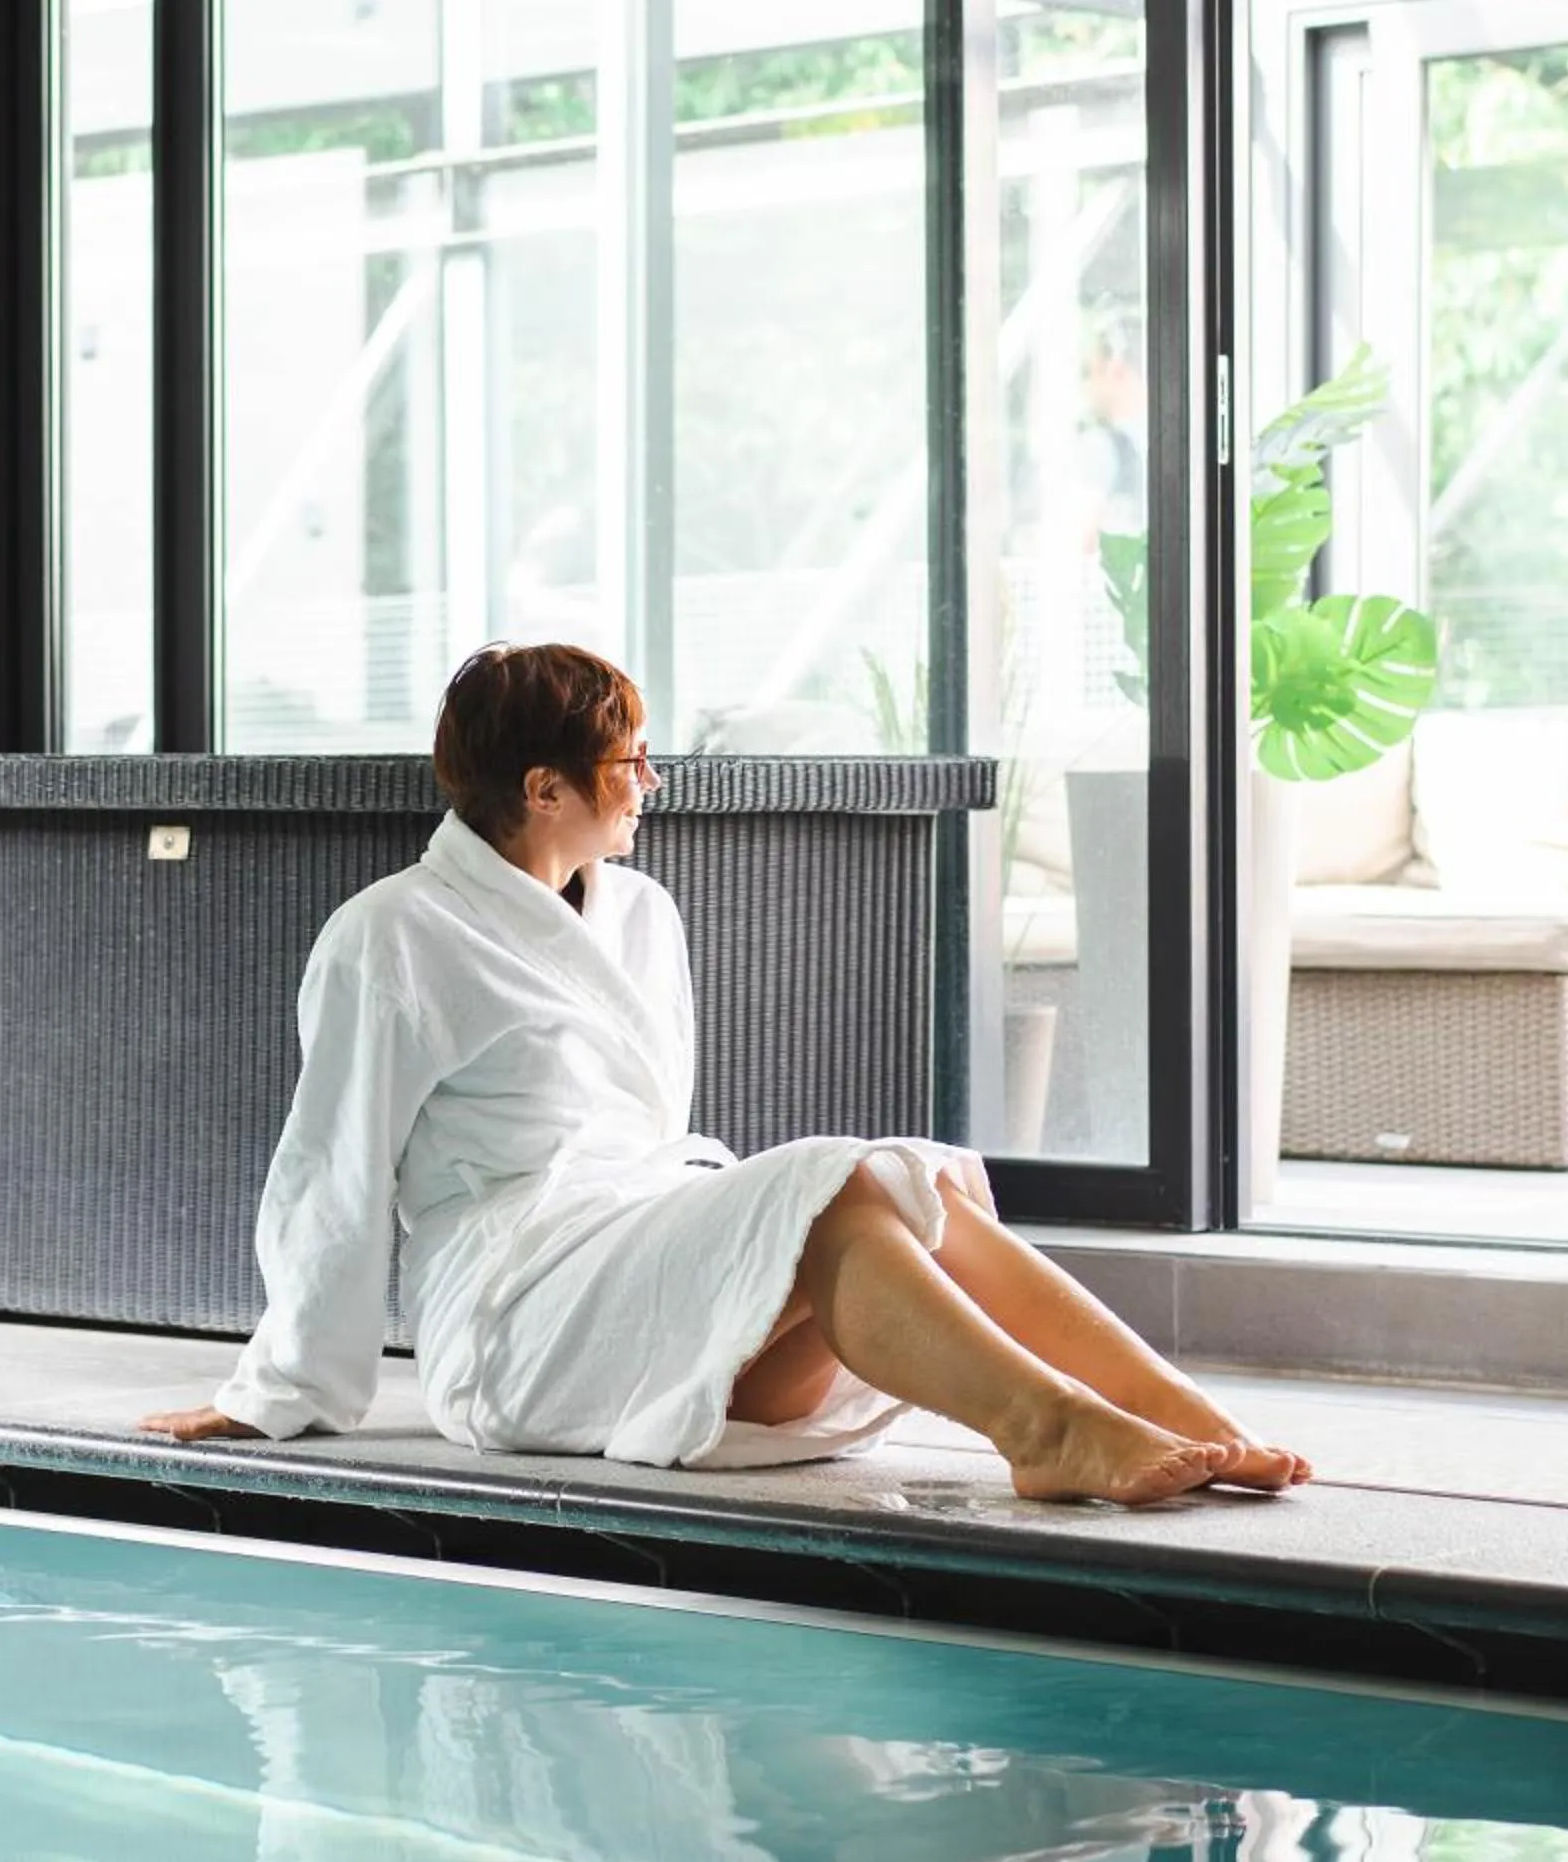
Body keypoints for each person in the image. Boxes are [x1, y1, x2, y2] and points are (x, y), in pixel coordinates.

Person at [141, 642, 1308, 1505]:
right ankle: (1044, 1427)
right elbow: (335, 1173)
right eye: (627, 762)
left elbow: (652, 1137)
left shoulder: (641, 913)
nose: (649, 782)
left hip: (637, 1255)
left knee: (904, 1189)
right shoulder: (392, 937)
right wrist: (279, 1390)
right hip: (516, 1318)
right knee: (835, 1181)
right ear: (544, 789)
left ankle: (1163, 1412)